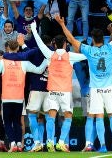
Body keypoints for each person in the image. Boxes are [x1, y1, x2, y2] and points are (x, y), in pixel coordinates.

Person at [55, 8, 112, 152]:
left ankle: (102, 146)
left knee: (98, 116)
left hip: (95, 89)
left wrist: (62, 24)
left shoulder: (89, 50)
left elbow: (71, 39)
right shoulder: (110, 48)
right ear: (103, 38)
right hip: (109, 87)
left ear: (93, 39)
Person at [29, 22, 86, 152]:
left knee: (51, 117)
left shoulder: (50, 54)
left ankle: (49, 142)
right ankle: (60, 142)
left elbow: (40, 43)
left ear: (54, 44)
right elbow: (87, 55)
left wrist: (33, 29)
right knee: (68, 117)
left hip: (52, 91)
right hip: (65, 92)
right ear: (65, 44)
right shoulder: (70, 56)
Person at [0, 39, 47, 152]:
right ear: (18, 48)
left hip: (6, 97)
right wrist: (46, 59)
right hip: (19, 98)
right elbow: (40, 70)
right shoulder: (24, 62)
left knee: (7, 122)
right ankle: (19, 143)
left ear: (8, 48)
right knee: (17, 122)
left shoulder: (3, 62)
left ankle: (12, 144)